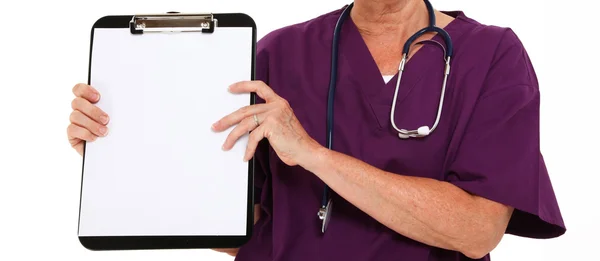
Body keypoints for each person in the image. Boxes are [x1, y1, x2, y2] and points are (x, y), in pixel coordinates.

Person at [67, 0, 566, 260]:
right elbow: (238, 231)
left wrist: (311, 153)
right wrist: (120, 152)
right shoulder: (275, 56)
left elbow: (477, 231)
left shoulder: (492, 57)